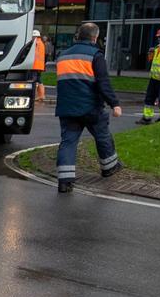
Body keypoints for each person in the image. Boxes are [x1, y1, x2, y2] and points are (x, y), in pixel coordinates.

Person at [52, 21, 121, 195]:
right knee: (102, 135)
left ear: (78, 35)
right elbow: (103, 83)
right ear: (95, 37)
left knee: (68, 142)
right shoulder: (95, 55)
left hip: (67, 108)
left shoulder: (63, 55)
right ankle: (109, 167)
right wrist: (115, 104)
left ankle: (64, 181)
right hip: (90, 107)